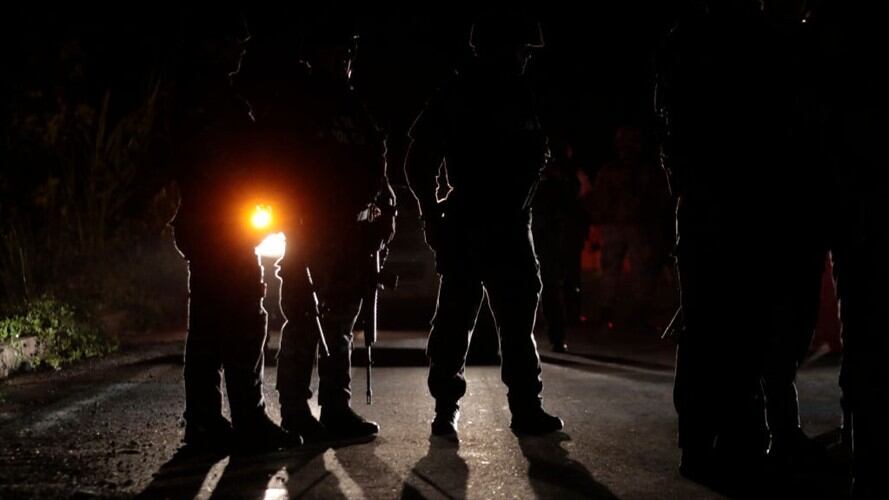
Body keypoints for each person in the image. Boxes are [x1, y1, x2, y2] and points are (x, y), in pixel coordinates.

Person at [238, 14, 396, 443]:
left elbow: (375, 166)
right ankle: (294, 410)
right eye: (334, 53)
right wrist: (288, 216)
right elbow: (270, 168)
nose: (342, 61)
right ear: (316, 56)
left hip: (352, 237)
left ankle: (336, 408)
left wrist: (384, 211)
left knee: (340, 326)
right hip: (309, 234)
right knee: (306, 320)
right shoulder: (296, 108)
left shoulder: (354, 108)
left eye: (346, 54)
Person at [404, 12, 562, 438]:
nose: (526, 57)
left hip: (511, 223)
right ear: (501, 48)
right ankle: (446, 409)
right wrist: (431, 215)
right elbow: (418, 162)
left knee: (517, 322)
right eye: (522, 49)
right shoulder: (458, 93)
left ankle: (526, 408)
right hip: (471, 222)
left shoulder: (523, 94)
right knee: (456, 321)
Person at [169, 11, 289, 452]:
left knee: (223, 322)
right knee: (234, 322)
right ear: (210, 44)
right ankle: (236, 419)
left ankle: (214, 420)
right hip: (215, 227)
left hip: (219, 225)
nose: (239, 50)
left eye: (241, 42)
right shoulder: (206, 100)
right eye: (231, 41)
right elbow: (214, 164)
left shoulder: (215, 97)